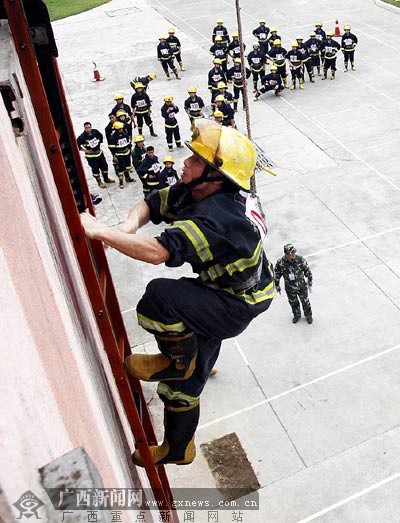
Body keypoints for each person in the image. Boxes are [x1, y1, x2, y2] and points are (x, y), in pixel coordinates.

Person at [80, 119, 275, 466]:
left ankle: (176, 361)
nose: (186, 162)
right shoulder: (199, 190)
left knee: (159, 299)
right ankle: (177, 447)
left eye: (197, 160)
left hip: (236, 303)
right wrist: (124, 227)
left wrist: (98, 233)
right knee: (183, 388)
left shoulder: (219, 217)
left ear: (216, 175)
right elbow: (150, 206)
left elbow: (157, 253)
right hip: (222, 290)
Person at [274, 244, 313, 324]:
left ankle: (308, 315)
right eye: (291, 253)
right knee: (293, 302)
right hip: (290, 288)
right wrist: (277, 284)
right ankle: (297, 315)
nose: (293, 255)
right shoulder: (280, 263)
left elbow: (307, 270)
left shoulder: (300, 259)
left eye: (294, 253)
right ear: (286, 254)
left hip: (301, 286)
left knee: (305, 302)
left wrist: (310, 279)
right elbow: (277, 274)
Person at [77, 122, 114, 188]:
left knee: (104, 166)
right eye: (86, 128)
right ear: (84, 128)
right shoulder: (82, 137)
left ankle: (106, 178)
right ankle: (99, 182)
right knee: (95, 169)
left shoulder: (95, 132)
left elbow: (101, 136)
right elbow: (77, 145)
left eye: (89, 127)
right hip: (91, 156)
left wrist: (99, 142)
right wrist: (85, 150)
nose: (88, 129)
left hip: (99, 153)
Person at [108, 121, 134, 188]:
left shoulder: (125, 134)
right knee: (121, 168)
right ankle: (121, 182)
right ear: (116, 129)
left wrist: (130, 150)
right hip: (119, 155)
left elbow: (128, 143)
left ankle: (128, 178)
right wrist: (114, 156)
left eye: (121, 128)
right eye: (120, 129)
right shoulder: (113, 138)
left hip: (127, 153)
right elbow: (112, 148)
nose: (121, 130)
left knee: (127, 166)